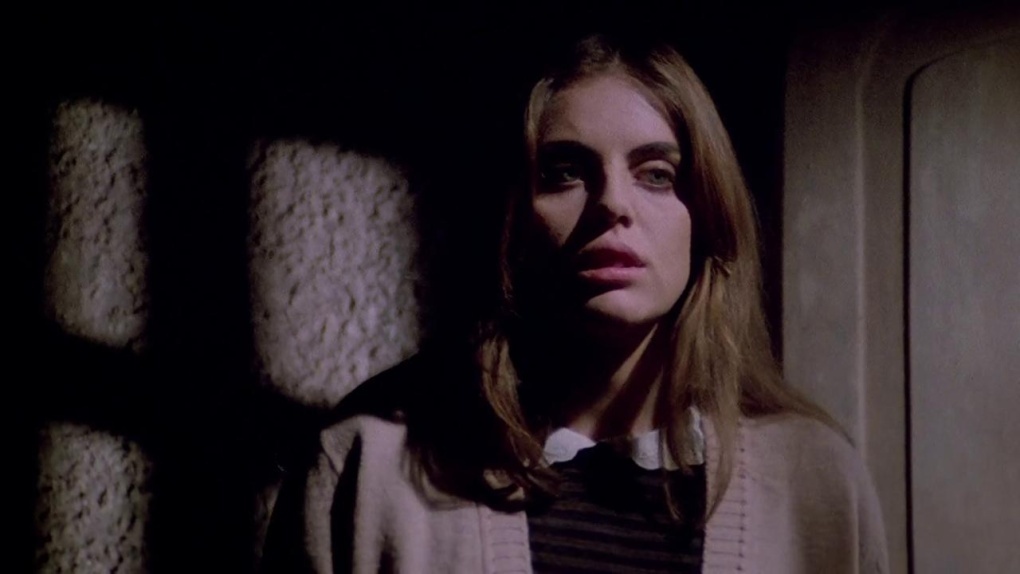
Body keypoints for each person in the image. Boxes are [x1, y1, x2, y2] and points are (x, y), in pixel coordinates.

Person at [262, 34, 889, 574]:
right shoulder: (367, 465)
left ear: (707, 217)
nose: (613, 203)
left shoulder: (814, 479)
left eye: (657, 174)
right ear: (511, 215)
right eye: (565, 171)